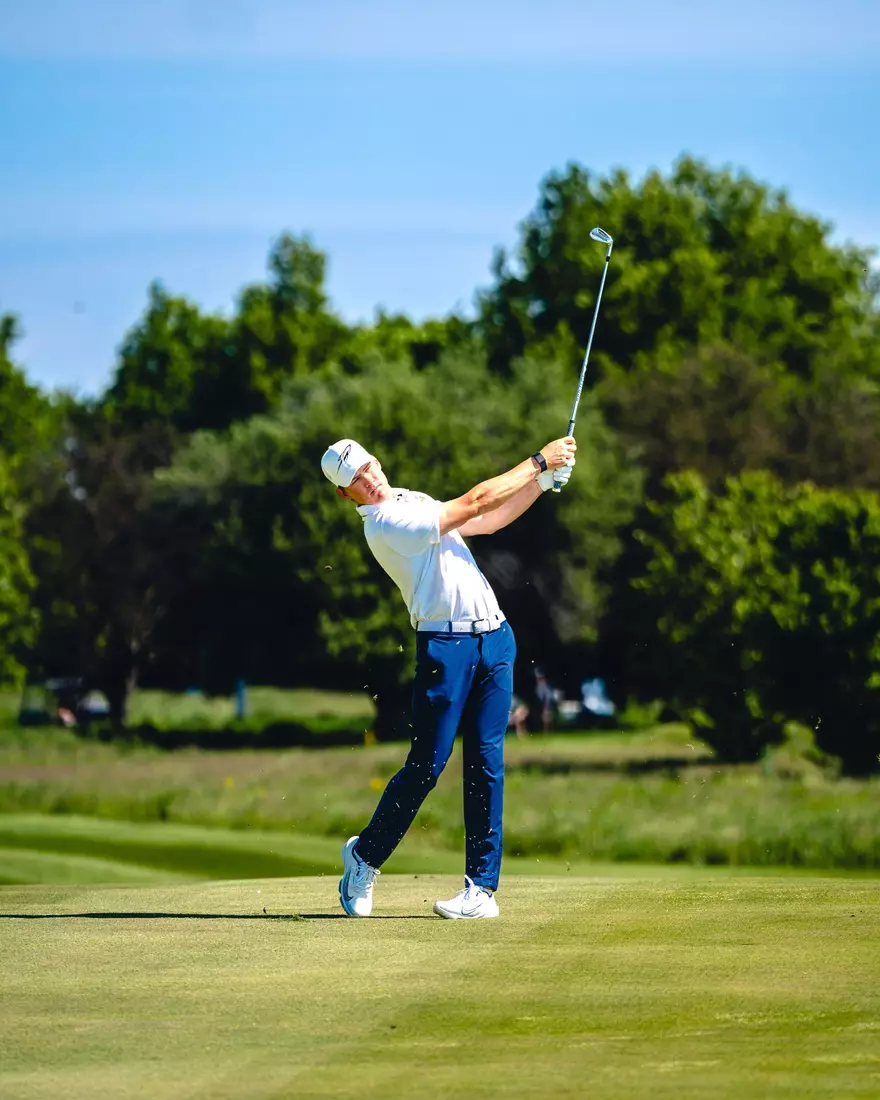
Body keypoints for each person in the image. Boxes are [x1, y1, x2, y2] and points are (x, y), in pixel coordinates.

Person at [321, 434, 576, 919]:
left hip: (495, 638)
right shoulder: (387, 523)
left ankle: (481, 888)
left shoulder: (410, 499)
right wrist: (540, 461)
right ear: (344, 494)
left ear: (378, 460)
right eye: (355, 479)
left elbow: (486, 519)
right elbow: (475, 500)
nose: (369, 480)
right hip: (446, 647)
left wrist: (540, 484)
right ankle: (364, 856)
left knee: (487, 762)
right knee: (427, 766)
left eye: (369, 467)